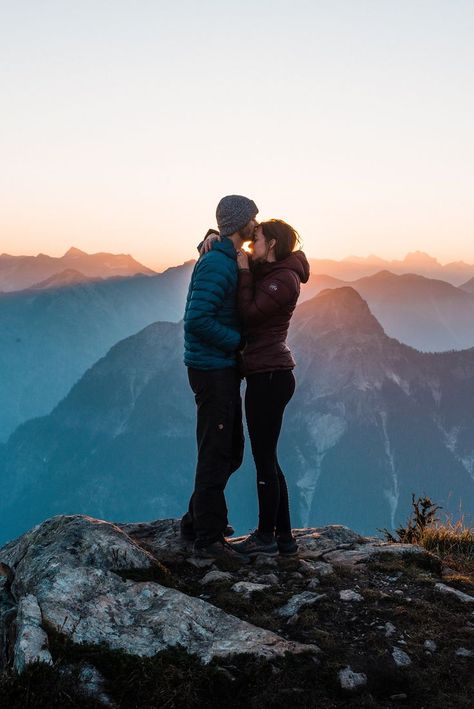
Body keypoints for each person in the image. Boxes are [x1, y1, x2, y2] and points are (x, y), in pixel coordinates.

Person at [180, 194, 259, 562]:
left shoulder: (225, 257)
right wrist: (238, 342)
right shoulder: (217, 263)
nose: (256, 223)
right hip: (213, 369)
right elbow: (197, 319)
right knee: (217, 451)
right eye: (253, 218)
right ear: (239, 222)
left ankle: (197, 520)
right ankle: (208, 540)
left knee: (230, 451)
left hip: (218, 367)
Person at [230, 219, 310, 557]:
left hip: (270, 377)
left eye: (257, 239)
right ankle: (285, 539)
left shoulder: (285, 280)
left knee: (264, 458)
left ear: (273, 244)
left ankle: (266, 537)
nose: (252, 245)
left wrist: (245, 272)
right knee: (269, 458)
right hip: (267, 374)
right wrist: (212, 239)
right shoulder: (274, 272)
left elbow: (249, 314)